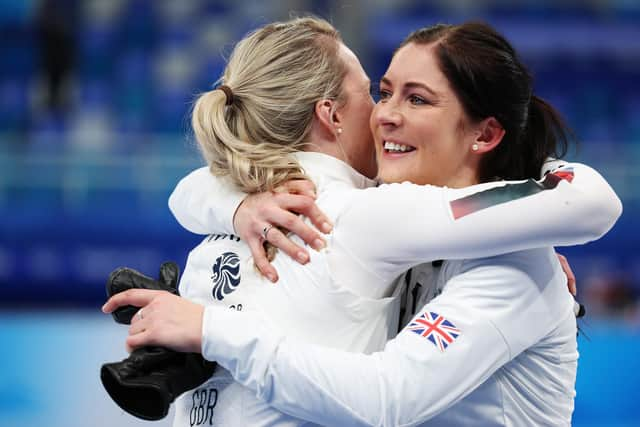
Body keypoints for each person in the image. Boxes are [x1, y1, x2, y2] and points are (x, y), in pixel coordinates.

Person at [103, 20, 622, 426]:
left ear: (484, 135)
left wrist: (214, 331)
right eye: (384, 91)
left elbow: (387, 397)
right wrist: (238, 207)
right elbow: (193, 188)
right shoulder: (385, 210)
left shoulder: (507, 258)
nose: (384, 115)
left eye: (415, 99)